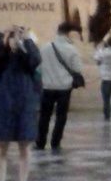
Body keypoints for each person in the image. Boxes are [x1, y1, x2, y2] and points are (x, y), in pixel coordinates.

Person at [0, 25, 41, 181]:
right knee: (1, 145)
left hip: (24, 100)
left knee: (25, 145)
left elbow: (35, 60)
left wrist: (27, 41)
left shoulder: (27, 47)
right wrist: (4, 38)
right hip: (3, 100)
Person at [36, 22, 85, 155]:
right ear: (69, 33)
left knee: (44, 116)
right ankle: (55, 142)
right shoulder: (72, 49)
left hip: (48, 87)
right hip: (64, 87)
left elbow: (38, 68)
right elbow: (78, 69)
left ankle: (40, 142)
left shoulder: (45, 47)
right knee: (61, 116)